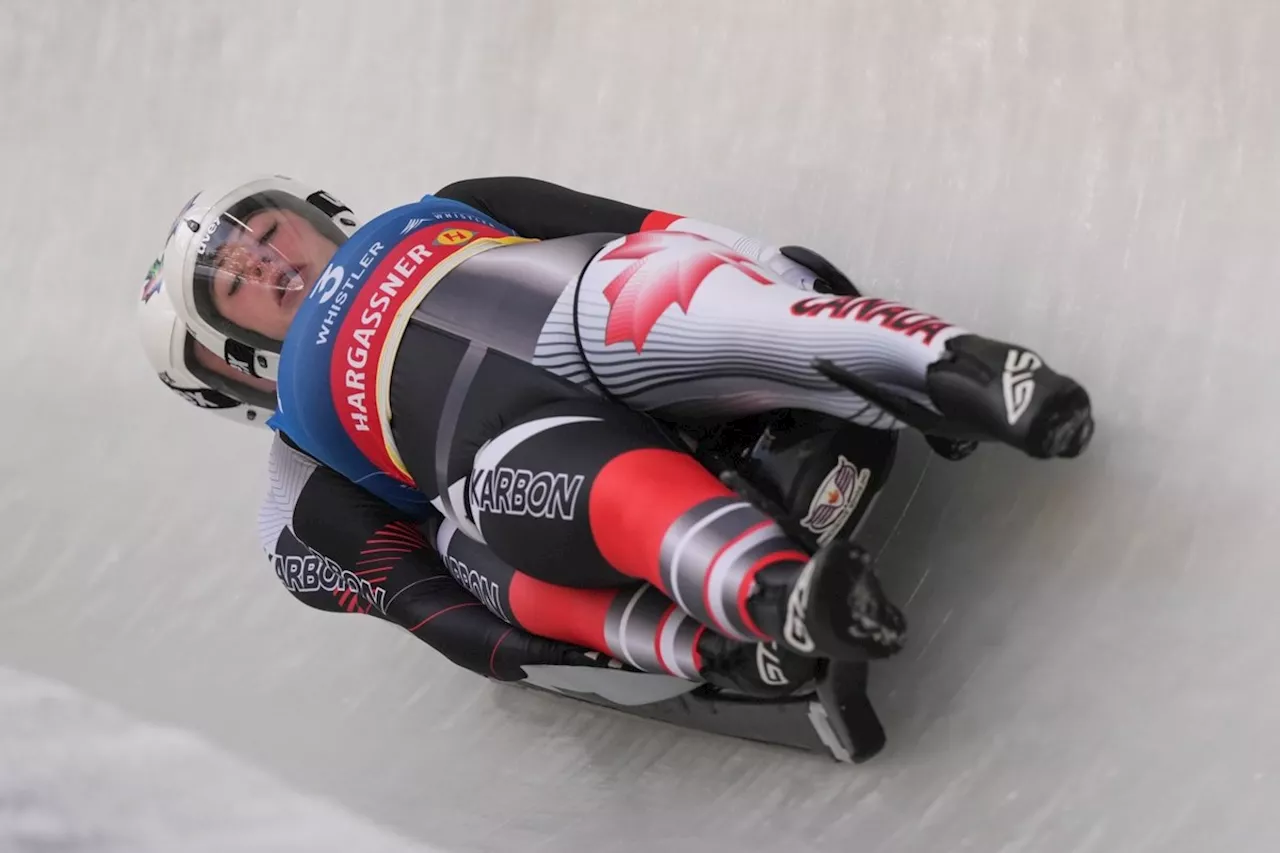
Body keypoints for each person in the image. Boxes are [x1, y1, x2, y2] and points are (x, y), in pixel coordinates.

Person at [140, 175, 1094, 693]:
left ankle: (955, 370)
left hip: (572, 304)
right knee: (529, 523)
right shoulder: (301, 484)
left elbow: (644, 226)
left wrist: (797, 274)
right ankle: (769, 595)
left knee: (690, 297)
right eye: (241, 285)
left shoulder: (450, 199)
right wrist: (607, 650)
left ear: (320, 212)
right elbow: (435, 606)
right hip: (497, 452)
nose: (276, 267)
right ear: (235, 366)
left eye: (276, 235)